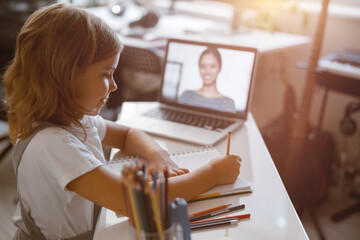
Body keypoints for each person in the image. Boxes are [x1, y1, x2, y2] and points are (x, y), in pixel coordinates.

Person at [3, 3, 241, 239]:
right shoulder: (52, 144)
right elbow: (139, 203)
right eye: (106, 74)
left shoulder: (75, 120)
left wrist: (160, 158)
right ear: (67, 75)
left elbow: (128, 135)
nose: (115, 85)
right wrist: (212, 173)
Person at [178, 47, 236, 113]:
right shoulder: (187, 96)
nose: (207, 71)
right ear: (199, 68)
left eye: (212, 66)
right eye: (203, 66)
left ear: (220, 68)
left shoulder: (227, 104)